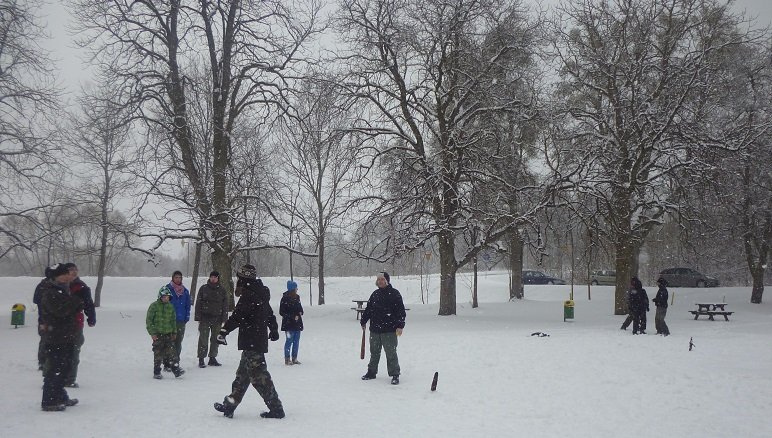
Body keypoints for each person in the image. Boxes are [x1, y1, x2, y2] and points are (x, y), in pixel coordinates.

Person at [213, 264, 284, 419]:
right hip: (254, 341)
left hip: (253, 341)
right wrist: (273, 329)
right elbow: (269, 313)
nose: (237, 280)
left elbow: (238, 316)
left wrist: (224, 331)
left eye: (239, 277)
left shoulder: (249, 295)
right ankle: (230, 405)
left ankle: (276, 408)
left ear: (243, 278)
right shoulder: (260, 292)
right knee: (242, 376)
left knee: (260, 378)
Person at [38, 263, 83, 411]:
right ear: (56, 276)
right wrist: (77, 301)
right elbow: (61, 310)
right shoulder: (49, 291)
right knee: (55, 369)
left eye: (66, 274)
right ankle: (49, 401)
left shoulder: (62, 289)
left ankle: (60, 396)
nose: (67, 276)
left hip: (66, 335)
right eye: (63, 274)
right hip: (56, 336)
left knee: (64, 367)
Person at [360, 271, 406, 385]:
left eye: (382, 279)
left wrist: (400, 325)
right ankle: (371, 372)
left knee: (391, 353)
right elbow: (369, 309)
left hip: (389, 330)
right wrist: (364, 320)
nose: (380, 281)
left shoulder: (395, 294)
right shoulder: (375, 294)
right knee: (374, 352)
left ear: (387, 281)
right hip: (375, 329)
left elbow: (401, 311)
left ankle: (395, 374)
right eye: (378, 280)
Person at [63, 263, 96, 388]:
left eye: (75, 270)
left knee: (74, 350)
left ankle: (70, 378)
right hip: (59, 324)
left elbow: (88, 304)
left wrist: (91, 318)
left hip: (76, 323)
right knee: (58, 351)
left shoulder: (81, 287)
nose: (74, 272)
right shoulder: (59, 285)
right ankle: (53, 377)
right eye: (71, 270)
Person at [146, 288, 185, 379]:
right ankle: (157, 371)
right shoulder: (154, 306)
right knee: (158, 353)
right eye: (164, 297)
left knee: (172, 352)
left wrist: (174, 332)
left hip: (168, 334)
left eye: (167, 297)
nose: (165, 299)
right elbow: (149, 321)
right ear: (160, 297)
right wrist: (152, 333)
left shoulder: (170, 307)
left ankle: (176, 369)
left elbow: (172, 321)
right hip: (158, 334)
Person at [195, 271, 228, 368]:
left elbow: (225, 305)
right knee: (203, 339)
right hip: (205, 318)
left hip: (217, 318)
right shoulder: (203, 288)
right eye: (211, 277)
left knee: (215, 339)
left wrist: (224, 318)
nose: (213, 279)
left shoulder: (222, 290)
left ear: (218, 279)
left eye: (215, 277)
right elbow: (198, 303)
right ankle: (201, 358)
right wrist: (198, 317)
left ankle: (212, 358)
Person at [160, 271, 191, 367]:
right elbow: (161, 303)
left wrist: (186, 317)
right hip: (168, 321)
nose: (178, 279)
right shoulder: (167, 289)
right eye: (176, 277)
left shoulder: (185, 291)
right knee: (168, 342)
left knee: (178, 342)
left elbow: (187, 305)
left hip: (180, 321)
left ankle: (175, 361)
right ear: (172, 278)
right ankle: (166, 362)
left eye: (179, 277)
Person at [279, 280, 304, 365]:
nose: (297, 289)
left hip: (297, 323)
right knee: (289, 341)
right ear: (292, 289)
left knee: (296, 342)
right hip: (288, 324)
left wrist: (300, 312)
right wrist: (292, 316)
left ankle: (294, 358)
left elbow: (300, 308)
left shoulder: (297, 297)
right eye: (296, 288)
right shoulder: (284, 298)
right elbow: (282, 312)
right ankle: (287, 359)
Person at [34, 266, 53, 371]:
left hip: (42, 318)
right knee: (46, 340)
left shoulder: (41, 285)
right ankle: (44, 361)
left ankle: (42, 361)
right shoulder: (51, 286)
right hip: (47, 318)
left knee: (44, 339)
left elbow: (35, 300)